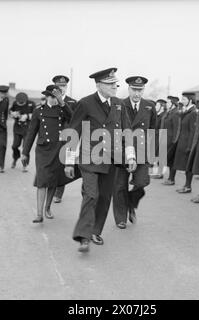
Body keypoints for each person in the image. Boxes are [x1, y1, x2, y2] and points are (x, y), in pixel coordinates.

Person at [64, 67, 136, 253]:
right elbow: (73, 132)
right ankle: (83, 237)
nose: (115, 87)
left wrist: (130, 156)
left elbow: (127, 132)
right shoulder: (85, 103)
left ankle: (95, 231)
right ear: (99, 85)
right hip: (89, 159)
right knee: (91, 195)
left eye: (115, 83)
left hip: (111, 160)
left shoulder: (119, 104)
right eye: (110, 84)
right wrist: (69, 161)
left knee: (104, 197)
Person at [22, 85, 73, 222]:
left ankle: (47, 208)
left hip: (58, 148)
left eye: (58, 97)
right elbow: (31, 133)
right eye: (53, 97)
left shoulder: (63, 111)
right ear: (47, 97)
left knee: (52, 180)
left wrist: (62, 102)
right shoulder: (38, 111)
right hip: (43, 150)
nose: (55, 100)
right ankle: (39, 214)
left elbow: (72, 116)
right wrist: (25, 152)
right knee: (42, 180)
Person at [112, 76, 157, 229]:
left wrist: (153, 155)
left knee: (142, 182)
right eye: (134, 89)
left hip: (142, 152)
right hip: (122, 152)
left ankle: (131, 203)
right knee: (119, 186)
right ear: (129, 89)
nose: (137, 93)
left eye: (140, 90)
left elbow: (153, 132)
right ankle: (121, 218)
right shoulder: (119, 105)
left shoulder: (149, 106)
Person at [52, 75, 78, 204]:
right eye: (59, 86)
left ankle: (58, 193)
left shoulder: (73, 102)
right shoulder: (49, 100)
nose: (61, 88)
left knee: (63, 165)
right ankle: (50, 189)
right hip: (52, 138)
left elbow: (74, 118)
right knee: (52, 165)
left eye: (63, 86)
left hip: (67, 138)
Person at [173, 92, 197, 194]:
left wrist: (190, 146)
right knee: (185, 165)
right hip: (182, 142)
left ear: (190, 100)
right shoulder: (186, 111)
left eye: (184, 99)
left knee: (188, 166)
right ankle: (186, 185)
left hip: (188, 143)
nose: (182, 101)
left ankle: (188, 186)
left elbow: (193, 131)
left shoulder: (193, 113)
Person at [10, 92, 35, 172]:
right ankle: (15, 158)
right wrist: (13, 114)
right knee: (15, 146)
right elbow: (10, 111)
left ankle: (25, 165)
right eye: (18, 103)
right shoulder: (15, 103)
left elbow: (36, 114)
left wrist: (27, 116)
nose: (20, 104)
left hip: (28, 128)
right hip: (17, 128)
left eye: (22, 103)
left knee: (25, 147)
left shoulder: (31, 104)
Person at [161, 96, 181, 185]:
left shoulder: (176, 113)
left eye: (168, 102)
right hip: (166, 139)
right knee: (168, 160)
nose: (166, 104)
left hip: (172, 140)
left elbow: (177, 128)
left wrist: (174, 141)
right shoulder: (169, 112)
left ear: (173, 103)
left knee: (171, 160)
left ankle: (171, 179)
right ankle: (169, 178)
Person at [150, 99, 168, 179]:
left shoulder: (163, 115)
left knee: (160, 156)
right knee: (156, 156)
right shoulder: (157, 115)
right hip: (155, 137)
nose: (155, 107)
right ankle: (157, 172)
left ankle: (160, 173)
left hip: (160, 137)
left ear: (162, 106)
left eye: (157, 105)